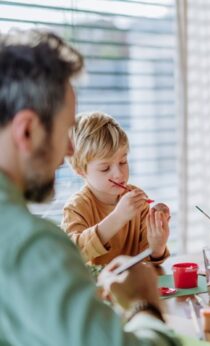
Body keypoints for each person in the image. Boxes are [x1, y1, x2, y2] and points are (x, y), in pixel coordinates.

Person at [0, 29, 180, 345]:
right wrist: (144, 305)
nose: (70, 151)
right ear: (27, 131)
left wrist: (157, 247)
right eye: (66, 130)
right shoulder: (31, 246)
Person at [61, 111, 170, 265]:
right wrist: (118, 217)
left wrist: (158, 245)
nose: (119, 174)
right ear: (80, 171)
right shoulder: (76, 207)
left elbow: (149, 261)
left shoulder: (136, 201)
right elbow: (72, 255)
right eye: (105, 168)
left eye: (123, 162)